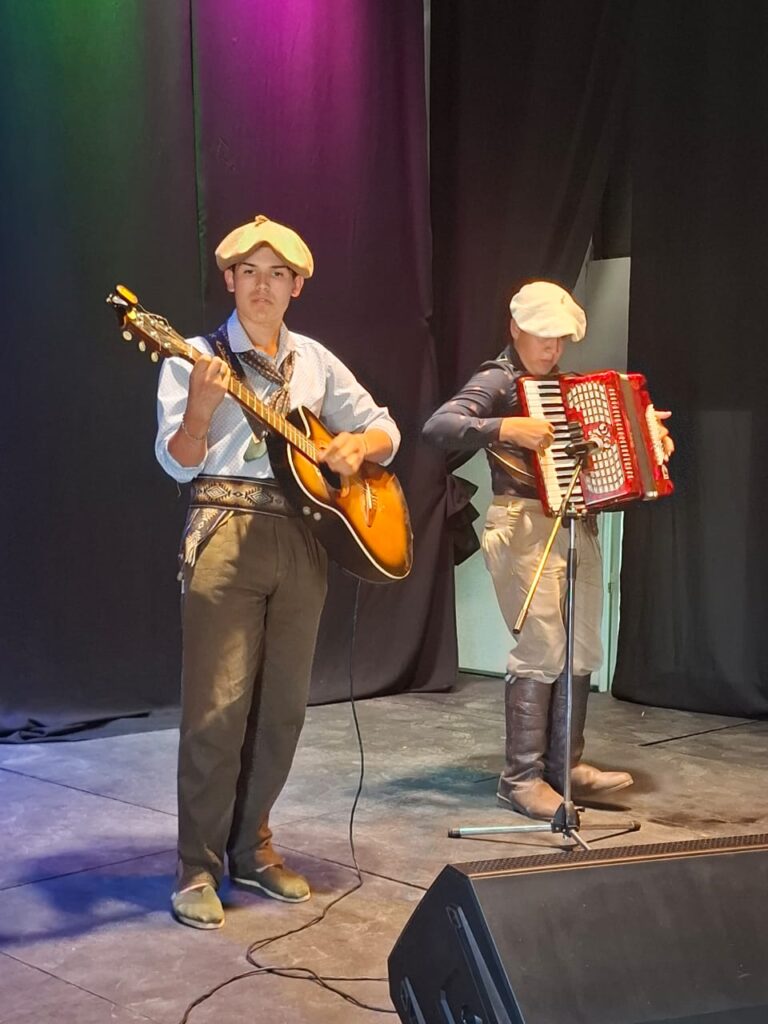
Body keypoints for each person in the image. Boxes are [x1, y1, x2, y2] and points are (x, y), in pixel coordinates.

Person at [155, 215, 400, 928]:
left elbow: (386, 427)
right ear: (230, 280)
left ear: (297, 287)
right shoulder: (192, 357)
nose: (263, 287)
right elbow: (177, 462)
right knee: (217, 710)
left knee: (284, 709)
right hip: (224, 531)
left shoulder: (315, 361)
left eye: (278, 275)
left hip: (302, 538)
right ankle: (197, 866)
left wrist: (357, 446)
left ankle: (252, 847)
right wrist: (199, 412)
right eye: (250, 273)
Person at [422, 281, 673, 820]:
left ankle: (564, 767)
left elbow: (606, 455)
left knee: (580, 648)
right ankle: (520, 779)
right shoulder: (499, 378)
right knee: (541, 648)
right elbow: (440, 426)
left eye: (559, 338)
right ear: (515, 328)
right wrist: (505, 426)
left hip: (574, 524)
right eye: (541, 335)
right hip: (521, 523)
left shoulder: (569, 389)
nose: (551, 348)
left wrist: (649, 442)